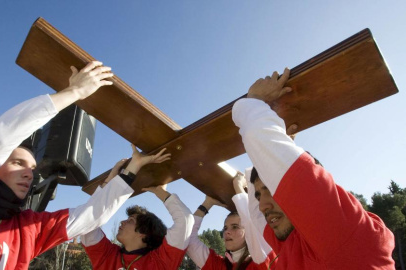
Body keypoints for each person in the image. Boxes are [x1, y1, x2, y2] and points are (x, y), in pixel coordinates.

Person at [0, 61, 170, 270]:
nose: (28, 173)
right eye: (17, 163)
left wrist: (132, 169)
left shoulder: (29, 227)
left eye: (32, 168)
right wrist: (74, 92)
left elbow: (90, 216)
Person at [231, 68, 395, 269]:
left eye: (271, 189)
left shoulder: (342, 233)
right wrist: (271, 159)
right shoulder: (292, 245)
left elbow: (259, 138)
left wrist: (253, 100)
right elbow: (256, 214)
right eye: (258, 196)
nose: (263, 205)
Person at [81, 183, 194, 269]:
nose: (122, 222)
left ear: (143, 232)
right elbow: (87, 222)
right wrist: (108, 185)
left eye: (130, 220)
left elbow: (185, 220)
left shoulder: (160, 262)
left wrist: (160, 191)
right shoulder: (107, 255)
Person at [186, 172, 277, 270]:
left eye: (235, 226)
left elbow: (252, 223)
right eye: (225, 228)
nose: (227, 232)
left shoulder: (263, 259)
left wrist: (238, 185)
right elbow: (187, 238)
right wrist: (207, 204)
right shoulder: (218, 266)